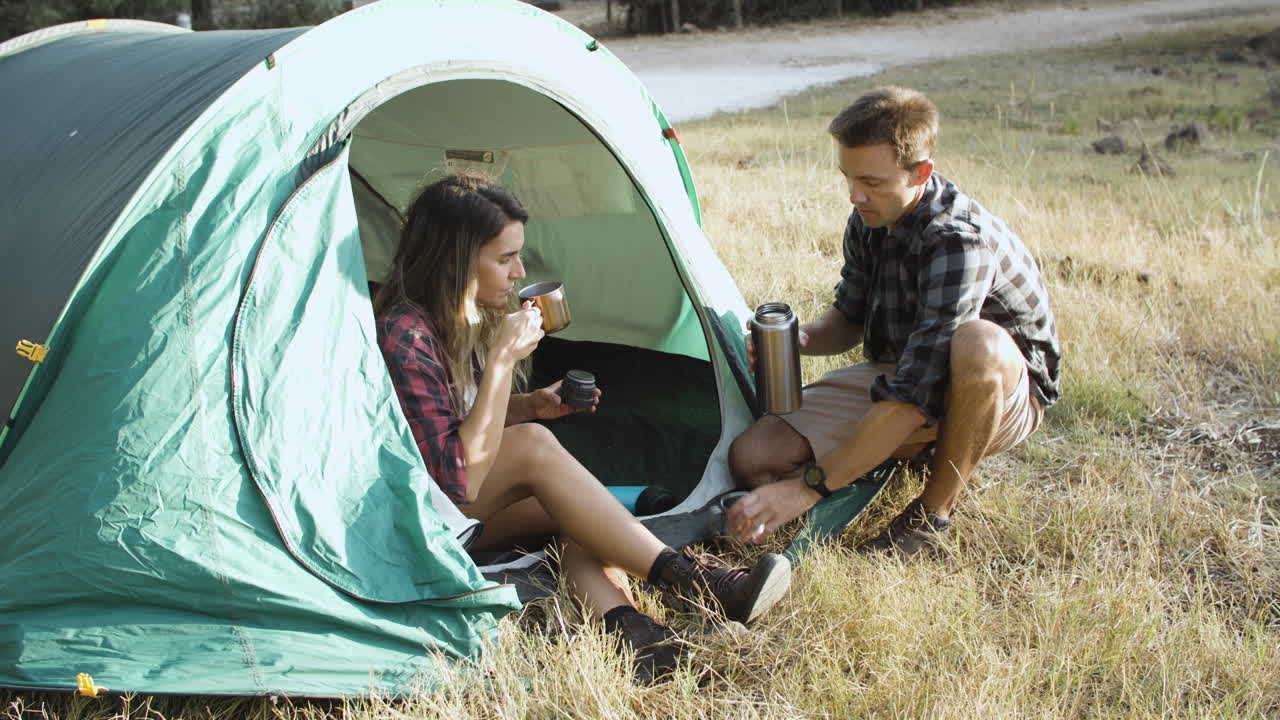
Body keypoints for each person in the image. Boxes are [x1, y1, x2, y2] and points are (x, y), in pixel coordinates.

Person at [373, 174, 791, 683]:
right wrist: (503, 362)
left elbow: (451, 421)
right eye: (504, 259)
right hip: (421, 522)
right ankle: (696, 580)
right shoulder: (404, 334)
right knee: (532, 449)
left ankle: (637, 637)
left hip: (458, 507)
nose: (520, 272)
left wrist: (528, 404)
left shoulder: (457, 318)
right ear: (455, 261)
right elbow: (458, 475)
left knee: (576, 512)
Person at [725, 87, 1061, 556]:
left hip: (997, 394)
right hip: (904, 372)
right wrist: (798, 340)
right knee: (753, 457)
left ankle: (932, 515)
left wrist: (806, 487)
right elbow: (848, 320)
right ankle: (891, 457)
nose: (855, 195)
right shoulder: (869, 218)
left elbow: (915, 393)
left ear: (920, 172)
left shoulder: (957, 242)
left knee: (978, 344)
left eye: (872, 181)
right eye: (848, 177)